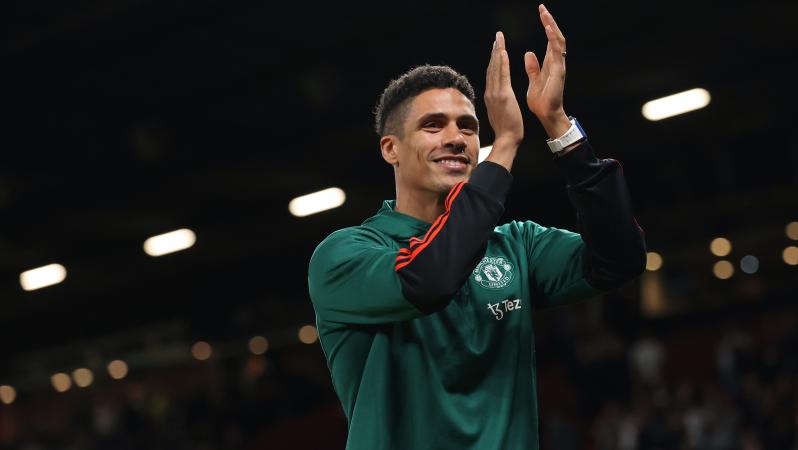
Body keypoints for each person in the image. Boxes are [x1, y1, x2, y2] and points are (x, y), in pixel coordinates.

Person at [307, 4, 646, 449]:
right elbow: (428, 279)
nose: (456, 138)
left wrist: (558, 126)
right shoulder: (344, 255)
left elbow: (619, 259)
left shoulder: (516, 246)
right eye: (433, 125)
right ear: (390, 148)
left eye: (468, 126)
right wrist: (504, 144)